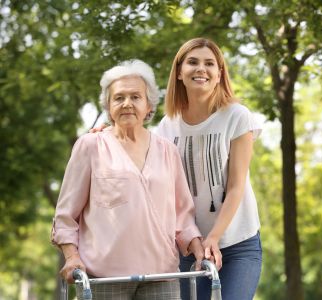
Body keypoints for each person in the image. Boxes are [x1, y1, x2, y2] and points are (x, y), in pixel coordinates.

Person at [51, 59, 209, 300]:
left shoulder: (168, 151)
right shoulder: (91, 146)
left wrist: (197, 245)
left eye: (135, 97)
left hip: (161, 276)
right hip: (104, 278)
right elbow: (66, 214)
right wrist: (72, 257)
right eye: (119, 98)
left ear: (149, 106)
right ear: (108, 105)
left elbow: (182, 214)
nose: (127, 104)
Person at [158, 37, 262, 300]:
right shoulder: (166, 126)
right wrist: (106, 133)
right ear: (179, 72)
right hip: (188, 246)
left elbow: (236, 186)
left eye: (209, 64)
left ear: (219, 74)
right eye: (192, 62)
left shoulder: (237, 116)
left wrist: (214, 237)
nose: (201, 69)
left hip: (238, 242)